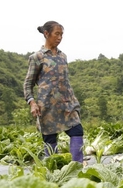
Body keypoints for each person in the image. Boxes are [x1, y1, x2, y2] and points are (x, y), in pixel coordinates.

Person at [24, 21, 84, 162]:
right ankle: (53, 174)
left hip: (68, 104)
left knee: (77, 131)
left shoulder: (63, 56)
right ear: (46, 34)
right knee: (50, 140)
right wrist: (32, 102)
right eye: (57, 34)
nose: (59, 37)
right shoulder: (37, 57)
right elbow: (28, 83)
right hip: (47, 107)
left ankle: (77, 168)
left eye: (61, 34)